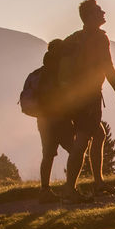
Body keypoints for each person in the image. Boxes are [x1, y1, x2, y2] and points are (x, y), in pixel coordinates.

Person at [58, 0, 115, 201]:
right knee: (82, 140)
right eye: (98, 11)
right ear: (89, 16)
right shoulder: (98, 38)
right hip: (89, 97)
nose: (103, 12)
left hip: (72, 97)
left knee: (98, 134)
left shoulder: (74, 38)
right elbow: (108, 66)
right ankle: (69, 190)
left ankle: (98, 183)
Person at [35, 39, 75, 202]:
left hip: (43, 120)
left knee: (48, 154)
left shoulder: (38, 73)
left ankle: (45, 190)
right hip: (61, 119)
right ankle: (70, 188)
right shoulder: (59, 72)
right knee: (76, 151)